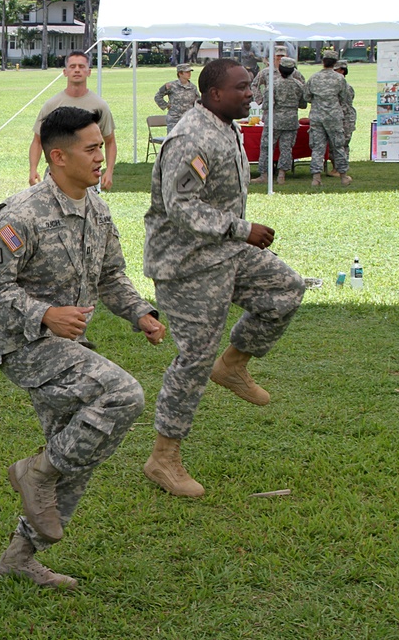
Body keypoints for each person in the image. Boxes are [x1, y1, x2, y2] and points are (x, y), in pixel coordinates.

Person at [0, 107, 165, 589]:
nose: (102, 157)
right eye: (92, 148)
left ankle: (20, 556)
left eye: (101, 146)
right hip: (27, 346)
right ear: (57, 156)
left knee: (78, 452)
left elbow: (110, 276)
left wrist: (140, 312)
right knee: (123, 395)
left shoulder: (97, 208)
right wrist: (45, 314)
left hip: (70, 347)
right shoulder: (21, 213)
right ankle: (35, 473)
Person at [143, 59, 305, 498]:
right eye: (241, 88)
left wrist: (236, 235)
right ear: (214, 93)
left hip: (225, 251)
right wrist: (242, 229)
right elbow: (179, 206)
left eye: (250, 86)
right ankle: (163, 458)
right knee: (194, 357)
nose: (250, 93)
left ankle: (232, 365)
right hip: (187, 263)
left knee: (287, 289)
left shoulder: (225, 124)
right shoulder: (190, 136)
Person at [29, 51, 118, 190]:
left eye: (82, 66)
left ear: (89, 72)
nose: (77, 70)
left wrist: (109, 171)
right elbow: (38, 141)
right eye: (72, 66)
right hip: (57, 175)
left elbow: (110, 141)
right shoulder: (52, 105)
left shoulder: (100, 106)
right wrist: (33, 169)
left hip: (86, 175)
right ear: (65, 72)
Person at [250, 57, 307, 185]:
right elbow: (303, 104)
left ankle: (264, 174)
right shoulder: (299, 85)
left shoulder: (274, 85)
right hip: (291, 120)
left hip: (274, 120)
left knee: (266, 147)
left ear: (280, 70)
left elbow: (266, 105)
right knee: (286, 148)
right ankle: (282, 175)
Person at [304, 50, 352, 186]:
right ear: (335, 63)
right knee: (338, 146)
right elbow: (345, 98)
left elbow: (306, 96)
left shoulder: (314, 78)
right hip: (334, 116)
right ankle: (343, 176)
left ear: (323, 61)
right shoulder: (339, 79)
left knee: (317, 147)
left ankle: (316, 178)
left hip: (317, 116)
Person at [327, 59, 356, 178]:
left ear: (342, 71)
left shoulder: (345, 86)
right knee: (334, 145)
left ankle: (340, 170)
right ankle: (336, 168)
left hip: (345, 118)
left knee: (342, 144)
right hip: (337, 117)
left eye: (336, 70)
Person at [154, 63, 200, 133]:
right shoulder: (171, 86)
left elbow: (198, 102)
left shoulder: (193, 87)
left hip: (188, 119)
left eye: (190, 72)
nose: (189, 74)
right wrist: (166, 105)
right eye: (187, 72)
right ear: (180, 73)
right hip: (174, 120)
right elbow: (158, 96)